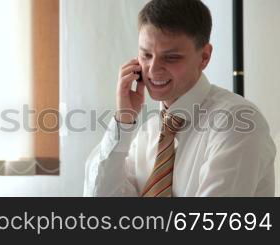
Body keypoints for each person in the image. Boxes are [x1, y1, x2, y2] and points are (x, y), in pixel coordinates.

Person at [83, 0, 276, 197]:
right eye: (146, 54)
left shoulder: (238, 122)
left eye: (171, 57)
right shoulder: (147, 133)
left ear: (204, 57)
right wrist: (123, 121)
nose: (153, 69)